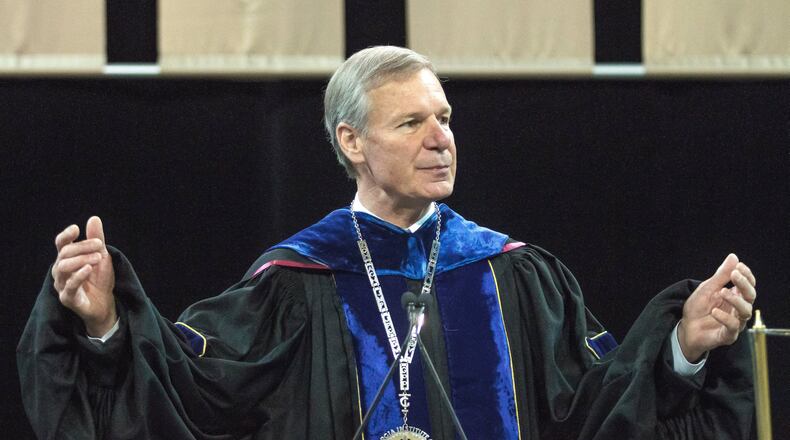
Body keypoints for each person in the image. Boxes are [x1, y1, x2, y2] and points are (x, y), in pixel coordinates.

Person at [18, 46, 756, 440]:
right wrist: (105, 325)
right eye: (412, 124)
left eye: (447, 119)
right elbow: (193, 394)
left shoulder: (517, 274)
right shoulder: (294, 280)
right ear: (352, 142)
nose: (442, 140)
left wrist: (682, 346)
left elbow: (597, 404)